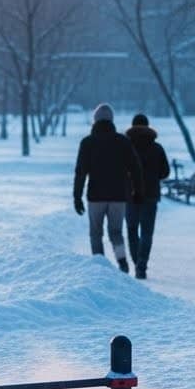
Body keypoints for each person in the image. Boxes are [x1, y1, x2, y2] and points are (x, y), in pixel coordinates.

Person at [74, 103, 142, 273]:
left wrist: (77, 197)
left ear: (95, 121)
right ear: (112, 120)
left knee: (96, 234)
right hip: (118, 196)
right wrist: (137, 191)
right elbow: (135, 168)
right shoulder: (122, 141)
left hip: (95, 196)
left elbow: (80, 172)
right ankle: (122, 262)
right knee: (116, 233)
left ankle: (100, 269)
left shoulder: (87, 142)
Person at [124, 113, 171, 279]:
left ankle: (137, 262)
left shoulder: (126, 146)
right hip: (150, 195)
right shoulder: (157, 148)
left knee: (131, 229)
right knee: (147, 232)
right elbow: (165, 172)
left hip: (130, 195)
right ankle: (142, 265)